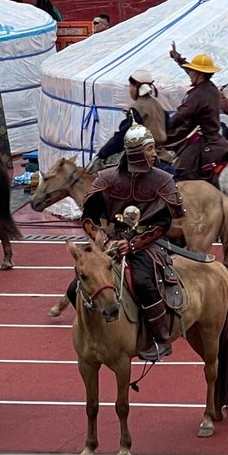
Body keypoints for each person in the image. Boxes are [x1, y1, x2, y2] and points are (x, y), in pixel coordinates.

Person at [81, 125, 189, 361]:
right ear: (137, 152)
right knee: (76, 286)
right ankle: (86, 333)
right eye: (150, 149)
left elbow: (163, 224)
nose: (154, 154)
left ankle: (160, 339)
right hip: (109, 242)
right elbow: (88, 217)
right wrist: (103, 238)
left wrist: (131, 245)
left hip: (145, 244)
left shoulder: (162, 180)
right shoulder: (106, 179)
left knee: (142, 282)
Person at [166, 48, 228, 183]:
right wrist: (179, 60)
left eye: (192, 72)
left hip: (203, 142)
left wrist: (163, 126)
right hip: (215, 139)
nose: (190, 74)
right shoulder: (210, 88)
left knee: (179, 174)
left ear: (200, 74)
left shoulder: (199, 94)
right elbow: (191, 71)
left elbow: (181, 115)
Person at [93, 69, 165, 165]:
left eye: (130, 86)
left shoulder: (138, 108)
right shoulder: (157, 105)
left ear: (136, 88)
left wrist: (103, 153)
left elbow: (123, 136)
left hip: (143, 158)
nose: (129, 89)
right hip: (162, 154)